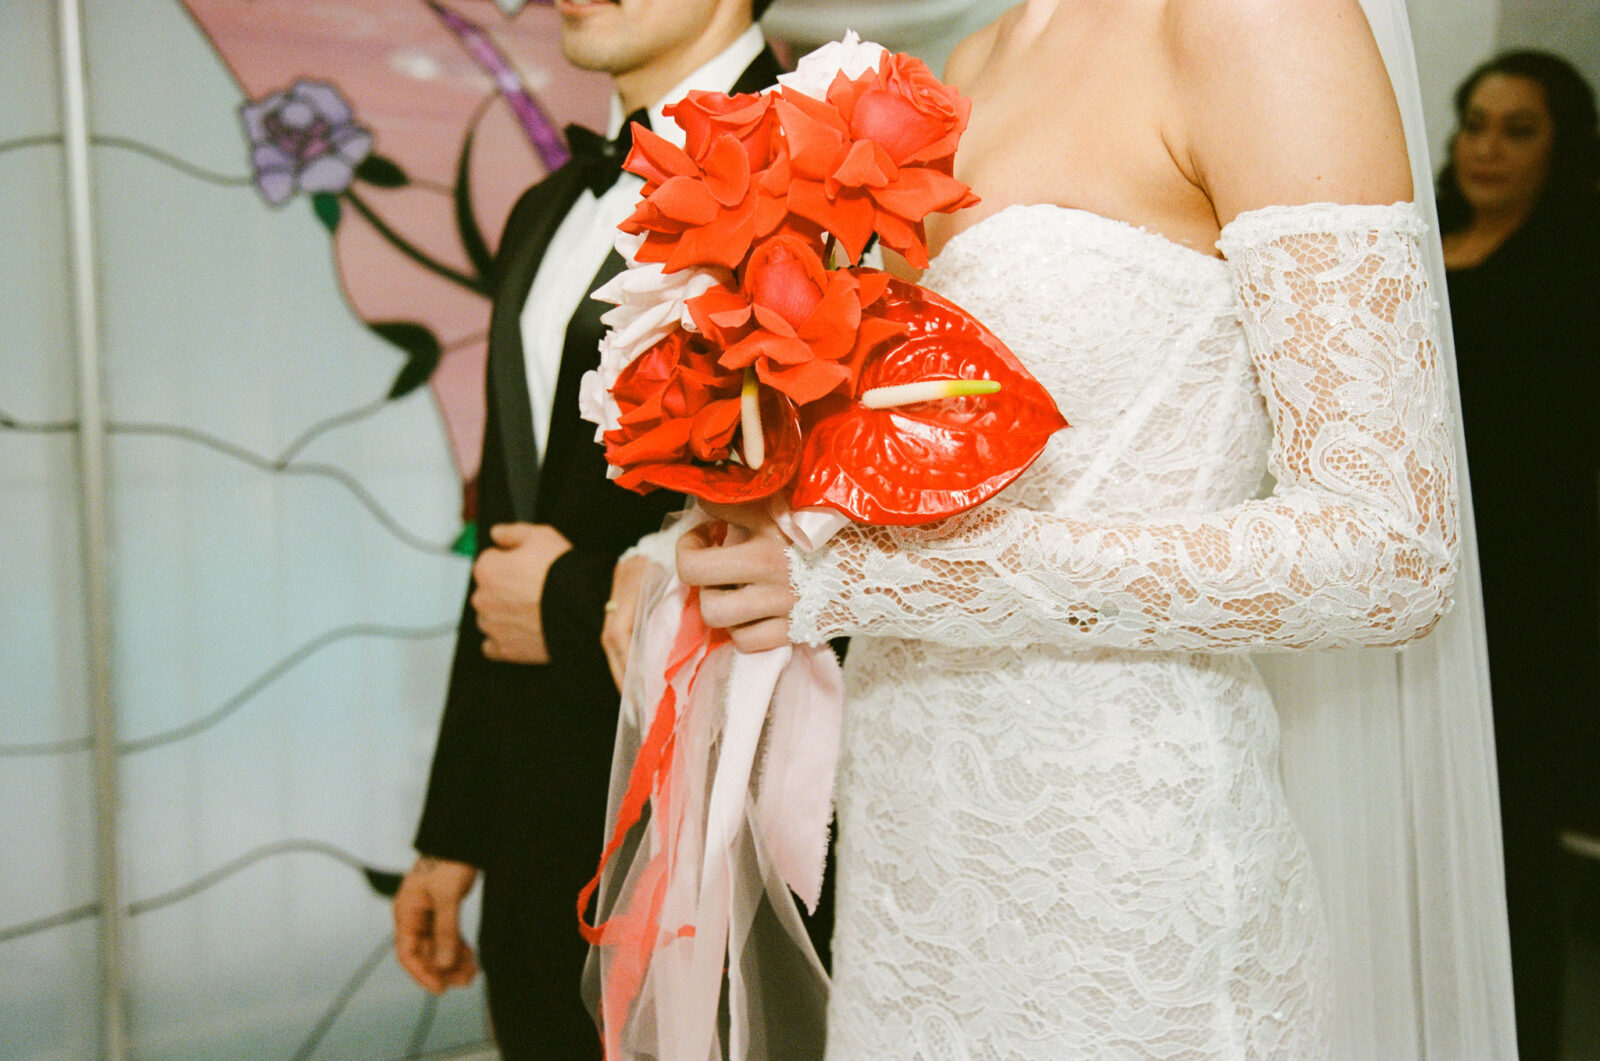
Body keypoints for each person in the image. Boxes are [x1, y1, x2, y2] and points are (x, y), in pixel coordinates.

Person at [637, 0, 1516, 1055]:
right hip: (913, 852)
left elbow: (1390, 551)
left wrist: (875, 584)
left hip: (1122, 863)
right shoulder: (972, 57)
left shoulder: (1264, 24)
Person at [390, 2, 784, 1056]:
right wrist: (454, 827)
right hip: (535, 809)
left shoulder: (820, 178)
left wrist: (571, 600)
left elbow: (840, 545)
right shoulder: (544, 208)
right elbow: (508, 530)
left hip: (719, 813)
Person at [1440, 50, 1600, 1061]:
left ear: (1563, 143)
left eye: (1519, 128)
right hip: (1425, 571)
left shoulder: (1576, 265)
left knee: (1508, 852)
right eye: (1475, 120)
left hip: (1531, 594)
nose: (1487, 146)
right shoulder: (1420, 243)